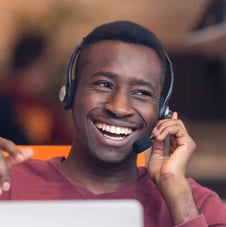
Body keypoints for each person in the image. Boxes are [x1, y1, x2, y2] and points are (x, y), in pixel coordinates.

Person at [0, 21, 226, 227]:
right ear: (69, 93)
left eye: (141, 92)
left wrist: (178, 198)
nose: (119, 107)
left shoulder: (196, 203)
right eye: (104, 84)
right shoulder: (8, 183)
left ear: (162, 111)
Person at [0, 32, 72, 145]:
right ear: (33, 63)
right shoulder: (7, 101)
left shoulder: (44, 106)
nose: (49, 73)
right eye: (47, 65)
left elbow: (67, 140)